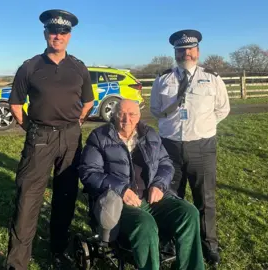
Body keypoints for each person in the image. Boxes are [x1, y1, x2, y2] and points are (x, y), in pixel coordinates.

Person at [5, 9, 95, 270]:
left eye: (63, 32)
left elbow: (88, 101)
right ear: (45, 33)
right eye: (53, 31)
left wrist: (75, 123)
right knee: (28, 198)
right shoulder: (30, 66)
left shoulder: (78, 67)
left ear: (70, 36)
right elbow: (16, 104)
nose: (58, 36)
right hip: (40, 137)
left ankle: (58, 250)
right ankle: (17, 263)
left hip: (70, 137)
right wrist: (30, 128)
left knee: (66, 195)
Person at [78, 99, 205, 270]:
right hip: (118, 202)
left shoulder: (150, 135)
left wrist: (159, 184)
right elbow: (89, 173)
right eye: (121, 114)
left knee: (189, 213)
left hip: (152, 197)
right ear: (114, 115)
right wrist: (121, 190)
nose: (126, 119)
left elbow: (166, 164)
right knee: (144, 223)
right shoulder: (99, 137)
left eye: (132, 114)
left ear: (138, 117)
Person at [149, 29, 230, 267]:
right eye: (181, 50)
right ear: (175, 52)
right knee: (169, 196)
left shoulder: (212, 78)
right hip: (169, 148)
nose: (186, 53)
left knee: (205, 198)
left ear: (197, 51)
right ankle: (167, 243)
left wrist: (203, 126)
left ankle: (209, 245)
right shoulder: (164, 79)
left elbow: (222, 109)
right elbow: (155, 109)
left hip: (202, 146)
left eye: (190, 49)